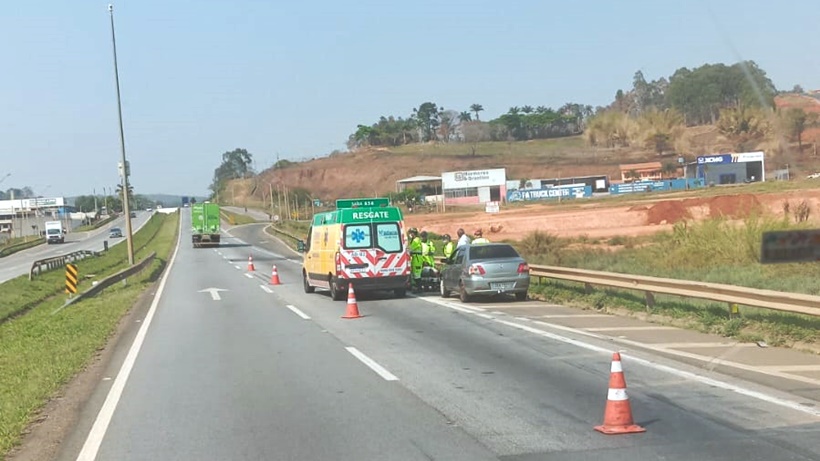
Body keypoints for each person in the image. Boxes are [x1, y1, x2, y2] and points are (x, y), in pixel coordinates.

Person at [408, 228, 423, 292]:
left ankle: (419, 288)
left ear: (414, 233)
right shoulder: (414, 240)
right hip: (415, 258)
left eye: (411, 233)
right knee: (414, 274)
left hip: (417, 259)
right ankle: (417, 287)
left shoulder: (416, 240)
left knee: (417, 274)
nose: (410, 234)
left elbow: (410, 249)